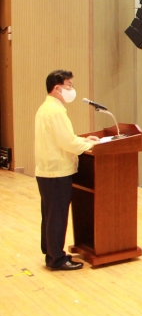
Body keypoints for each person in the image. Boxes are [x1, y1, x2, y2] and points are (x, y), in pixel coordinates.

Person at [35, 70, 99, 271]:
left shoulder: (46, 108)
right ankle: (57, 259)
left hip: (48, 171)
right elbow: (67, 142)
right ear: (57, 88)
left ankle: (51, 253)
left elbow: (64, 139)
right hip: (57, 172)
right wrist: (88, 144)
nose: (72, 89)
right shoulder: (55, 111)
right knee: (58, 215)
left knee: (50, 214)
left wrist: (83, 140)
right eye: (69, 85)